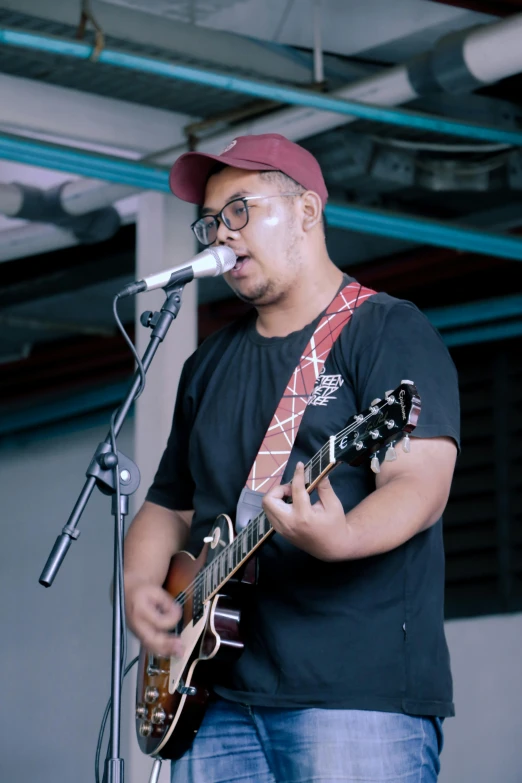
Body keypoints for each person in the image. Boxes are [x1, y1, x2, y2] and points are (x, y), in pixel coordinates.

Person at [124, 133, 460, 783]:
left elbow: (421, 478)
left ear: (307, 211)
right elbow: (168, 504)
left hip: (353, 697)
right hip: (214, 697)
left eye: (240, 210)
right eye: (212, 222)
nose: (221, 236)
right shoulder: (208, 363)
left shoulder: (386, 329)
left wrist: (343, 535)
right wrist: (141, 590)